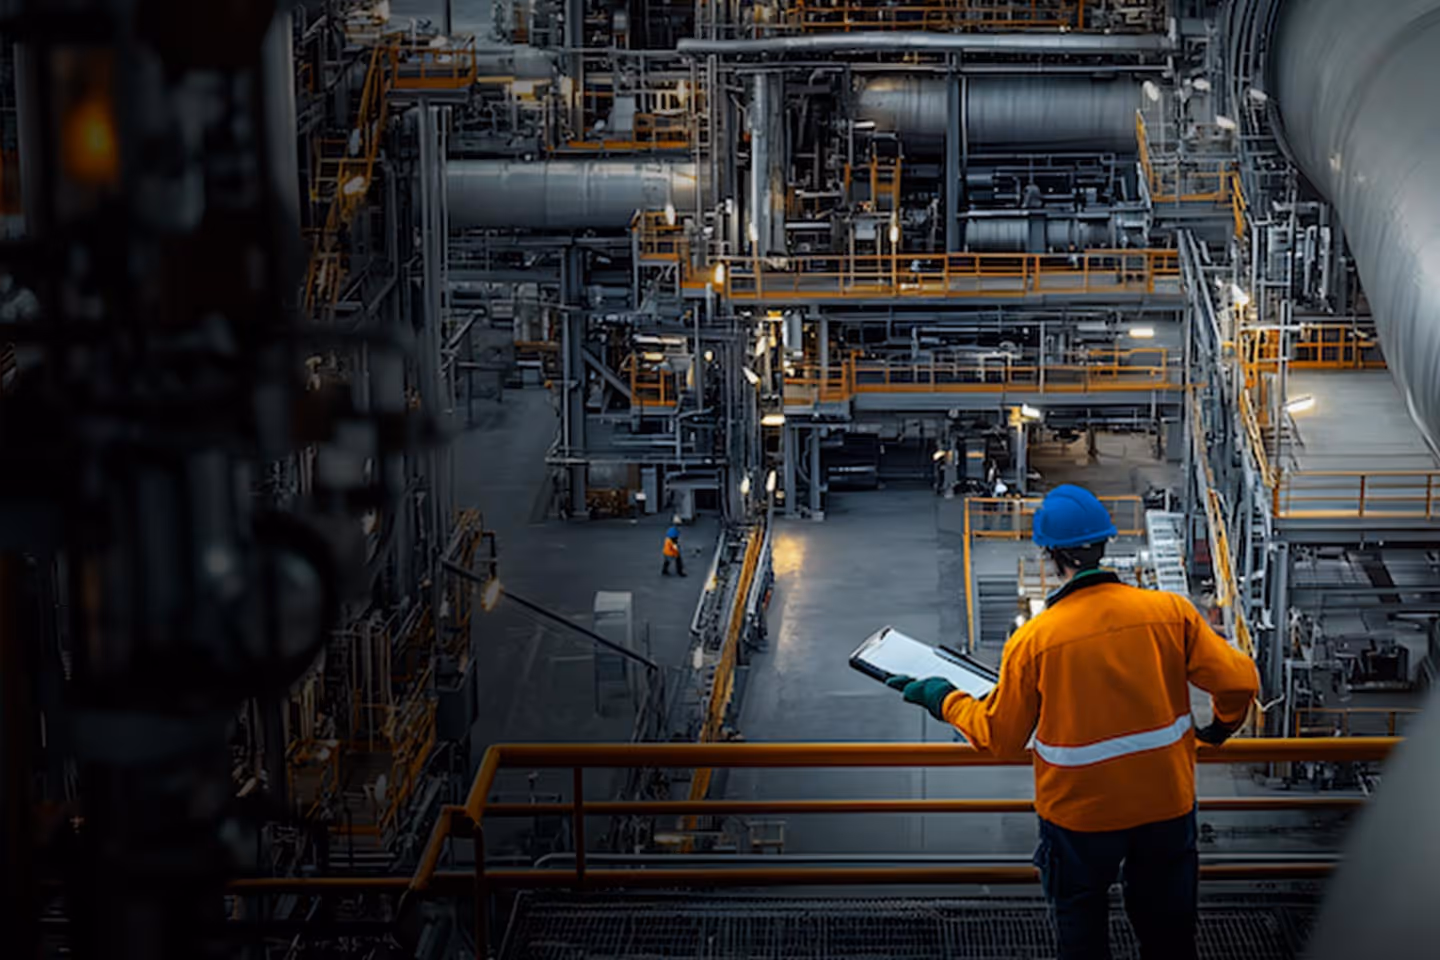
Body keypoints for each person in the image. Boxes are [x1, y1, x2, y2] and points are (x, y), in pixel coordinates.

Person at [888, 483, 1259, 960]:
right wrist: (1221, 728)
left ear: (1049, 555)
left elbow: (1002, 739)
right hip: (1165, 803)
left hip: (1081, 817)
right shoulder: (1169, 613)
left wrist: (945, 699)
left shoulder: (1036, 639)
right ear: (1106, 544)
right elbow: (1239, 682)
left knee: (1082, 933)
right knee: (1169, 938)